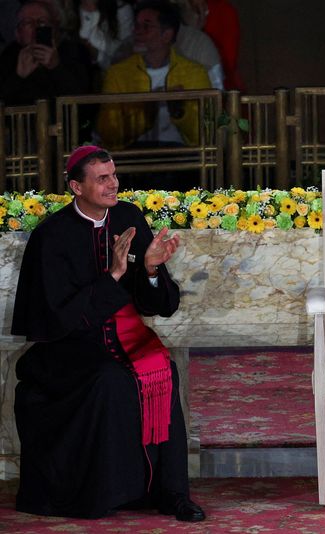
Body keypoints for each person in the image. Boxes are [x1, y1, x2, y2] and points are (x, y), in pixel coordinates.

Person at [11, 145, 205, 522]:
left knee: (164, 371)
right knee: (109, 380)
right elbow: (56, 318)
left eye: (114, 175)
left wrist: (149, 269)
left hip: (124, 334)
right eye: (102, 179)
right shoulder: (52, 236)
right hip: (66, 347)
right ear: (76, 187)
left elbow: (157, 305)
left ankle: (170, 493)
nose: (113, 184)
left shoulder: (128, 217)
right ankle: (110, 492)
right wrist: (114, 274)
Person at [96, 0, 210, 152]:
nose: (138, 31)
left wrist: (180, 112)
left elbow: (206, 134)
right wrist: (145, 113)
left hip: (182, 158)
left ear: (167, 35)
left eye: (146, 26)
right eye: (136, 25)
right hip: (132, 159)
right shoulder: (117, 74)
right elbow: (108, 135)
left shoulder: (195, 73)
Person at [0, 0, 89, 105]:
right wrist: (18, 77)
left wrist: (56, 67)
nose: (36, 27)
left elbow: (84, 102)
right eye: (28, 22)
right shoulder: (10, 55)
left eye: (42, 22)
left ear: (55, 28)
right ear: (18, 33)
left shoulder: (76, 51)